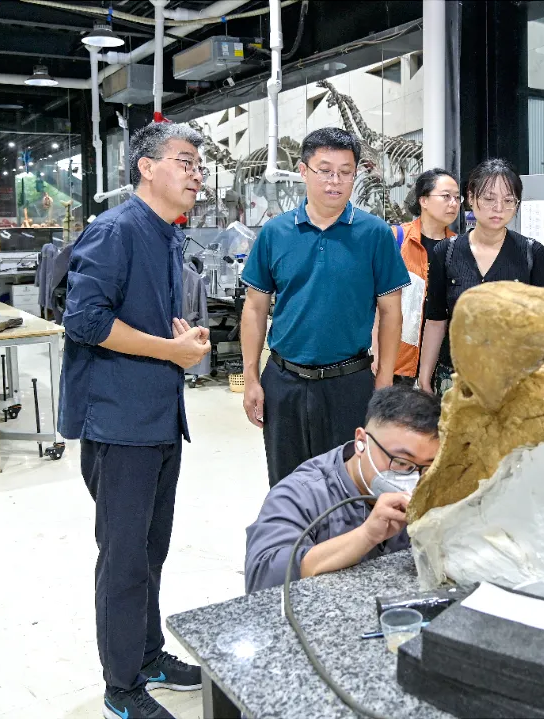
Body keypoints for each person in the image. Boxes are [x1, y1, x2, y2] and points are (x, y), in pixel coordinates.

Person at [59, 122, 212, 719]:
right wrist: (167, 350)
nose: (195, 172)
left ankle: (147, 656)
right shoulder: (115, 229)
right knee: (123, 559)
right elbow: (86, 321)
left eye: (199, 164)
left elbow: (144, 321)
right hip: (119, 425)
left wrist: (183, 339)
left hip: (157, 419)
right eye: (184, 160)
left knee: (151, 551)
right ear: (146, 167)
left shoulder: (166, 235)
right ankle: (120, 687)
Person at [239, 127, 410, 488]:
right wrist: (251, 378)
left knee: (349, 491)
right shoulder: (275, 233)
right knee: (288, 489)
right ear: (303, 171)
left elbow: (391, 311)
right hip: (283, 382)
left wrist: (383, 383)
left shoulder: (375, 234)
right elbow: (255, 308)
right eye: (325, 170)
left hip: (350, 384)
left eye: (345, 172)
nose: (335, 181)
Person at [244, 385, 441, 592]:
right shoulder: (303, 493)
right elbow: (263, 577)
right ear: (361, 442)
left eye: (428, 466)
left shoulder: (433, 482)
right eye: (401, 462)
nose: (414, 478)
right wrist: (366, 536)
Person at [419, 159, 544, 398]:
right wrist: (424, 376)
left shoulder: (532, 254)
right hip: (453, 378)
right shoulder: (446, 252)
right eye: (489, 198)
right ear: (471, 198)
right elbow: (436, 320)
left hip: (512, 380)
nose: (499, 208)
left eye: (508, 200)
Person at [378, 169, 459, 387]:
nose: (453, 203)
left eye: (457, 197)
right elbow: (375, 304)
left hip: (442, 366)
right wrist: (377, 358)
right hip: (396, 363)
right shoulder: (397, 239)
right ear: (423, 200)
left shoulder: (459, 248)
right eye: (445, 196)